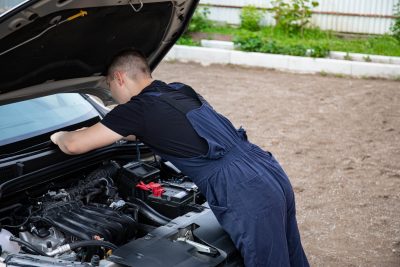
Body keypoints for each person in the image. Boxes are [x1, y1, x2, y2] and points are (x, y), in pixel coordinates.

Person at [50, 48, 309, 267]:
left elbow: (73, 146)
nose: (111, 95)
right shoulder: (179, 90)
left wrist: (59, 134)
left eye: (108, 87)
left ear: (118, 78)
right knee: (290, 253)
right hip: (265, 168)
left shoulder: (136, 109)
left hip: (240, 187)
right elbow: (158, 129)